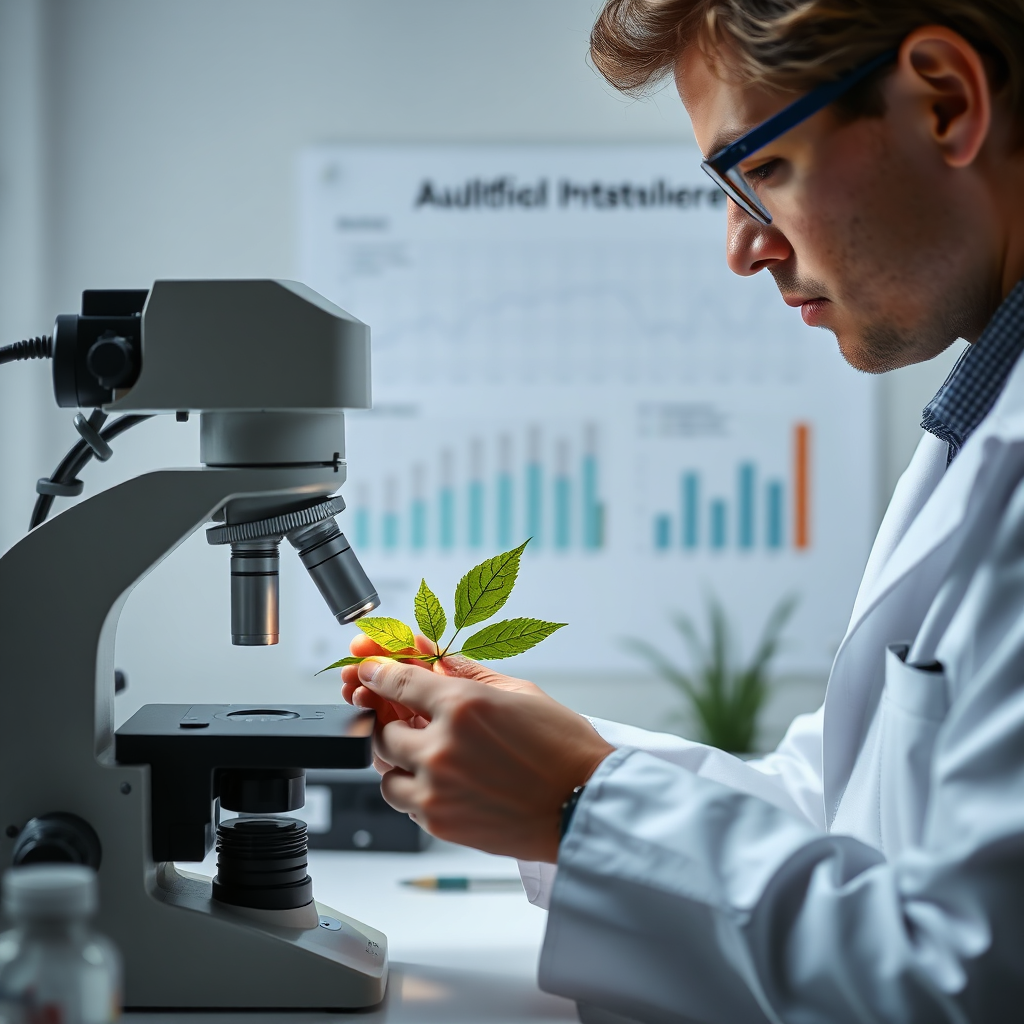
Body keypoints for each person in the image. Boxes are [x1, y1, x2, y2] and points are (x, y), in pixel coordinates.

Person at [341, 1, 1024, 1020]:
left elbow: (967, 983)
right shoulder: (978, 418)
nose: (740, 246)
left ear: (943, 102)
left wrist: (581, 805)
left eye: (757, 171)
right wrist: (558, 759)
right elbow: (843, 814)